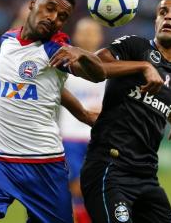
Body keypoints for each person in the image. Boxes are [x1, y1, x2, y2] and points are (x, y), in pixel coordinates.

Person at [0, 0, 106, 223]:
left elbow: (97, 74)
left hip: (43, 164)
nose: (54, 18)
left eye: (62, 17)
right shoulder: (7, 40)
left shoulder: (57, 50)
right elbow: (45, 89)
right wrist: (84, 114)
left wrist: (82, 53)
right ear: (33, 4)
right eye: (50, 8)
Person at [80, 0, 171, 223]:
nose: (168, 17)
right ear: (155, 21)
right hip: (109, 169)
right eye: (163, 12)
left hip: (147, 178)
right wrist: (142, 66)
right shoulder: (135, 46)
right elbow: (93, 63)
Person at [59, 17, 105, 223]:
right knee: (76, 187)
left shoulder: (108, 64)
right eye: (83, 31)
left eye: (92, 32)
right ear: (75, 35)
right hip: (70, 137)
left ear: (100, 37)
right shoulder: (63, 62)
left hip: (98, 137)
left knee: (98, 190)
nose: (87, 36)